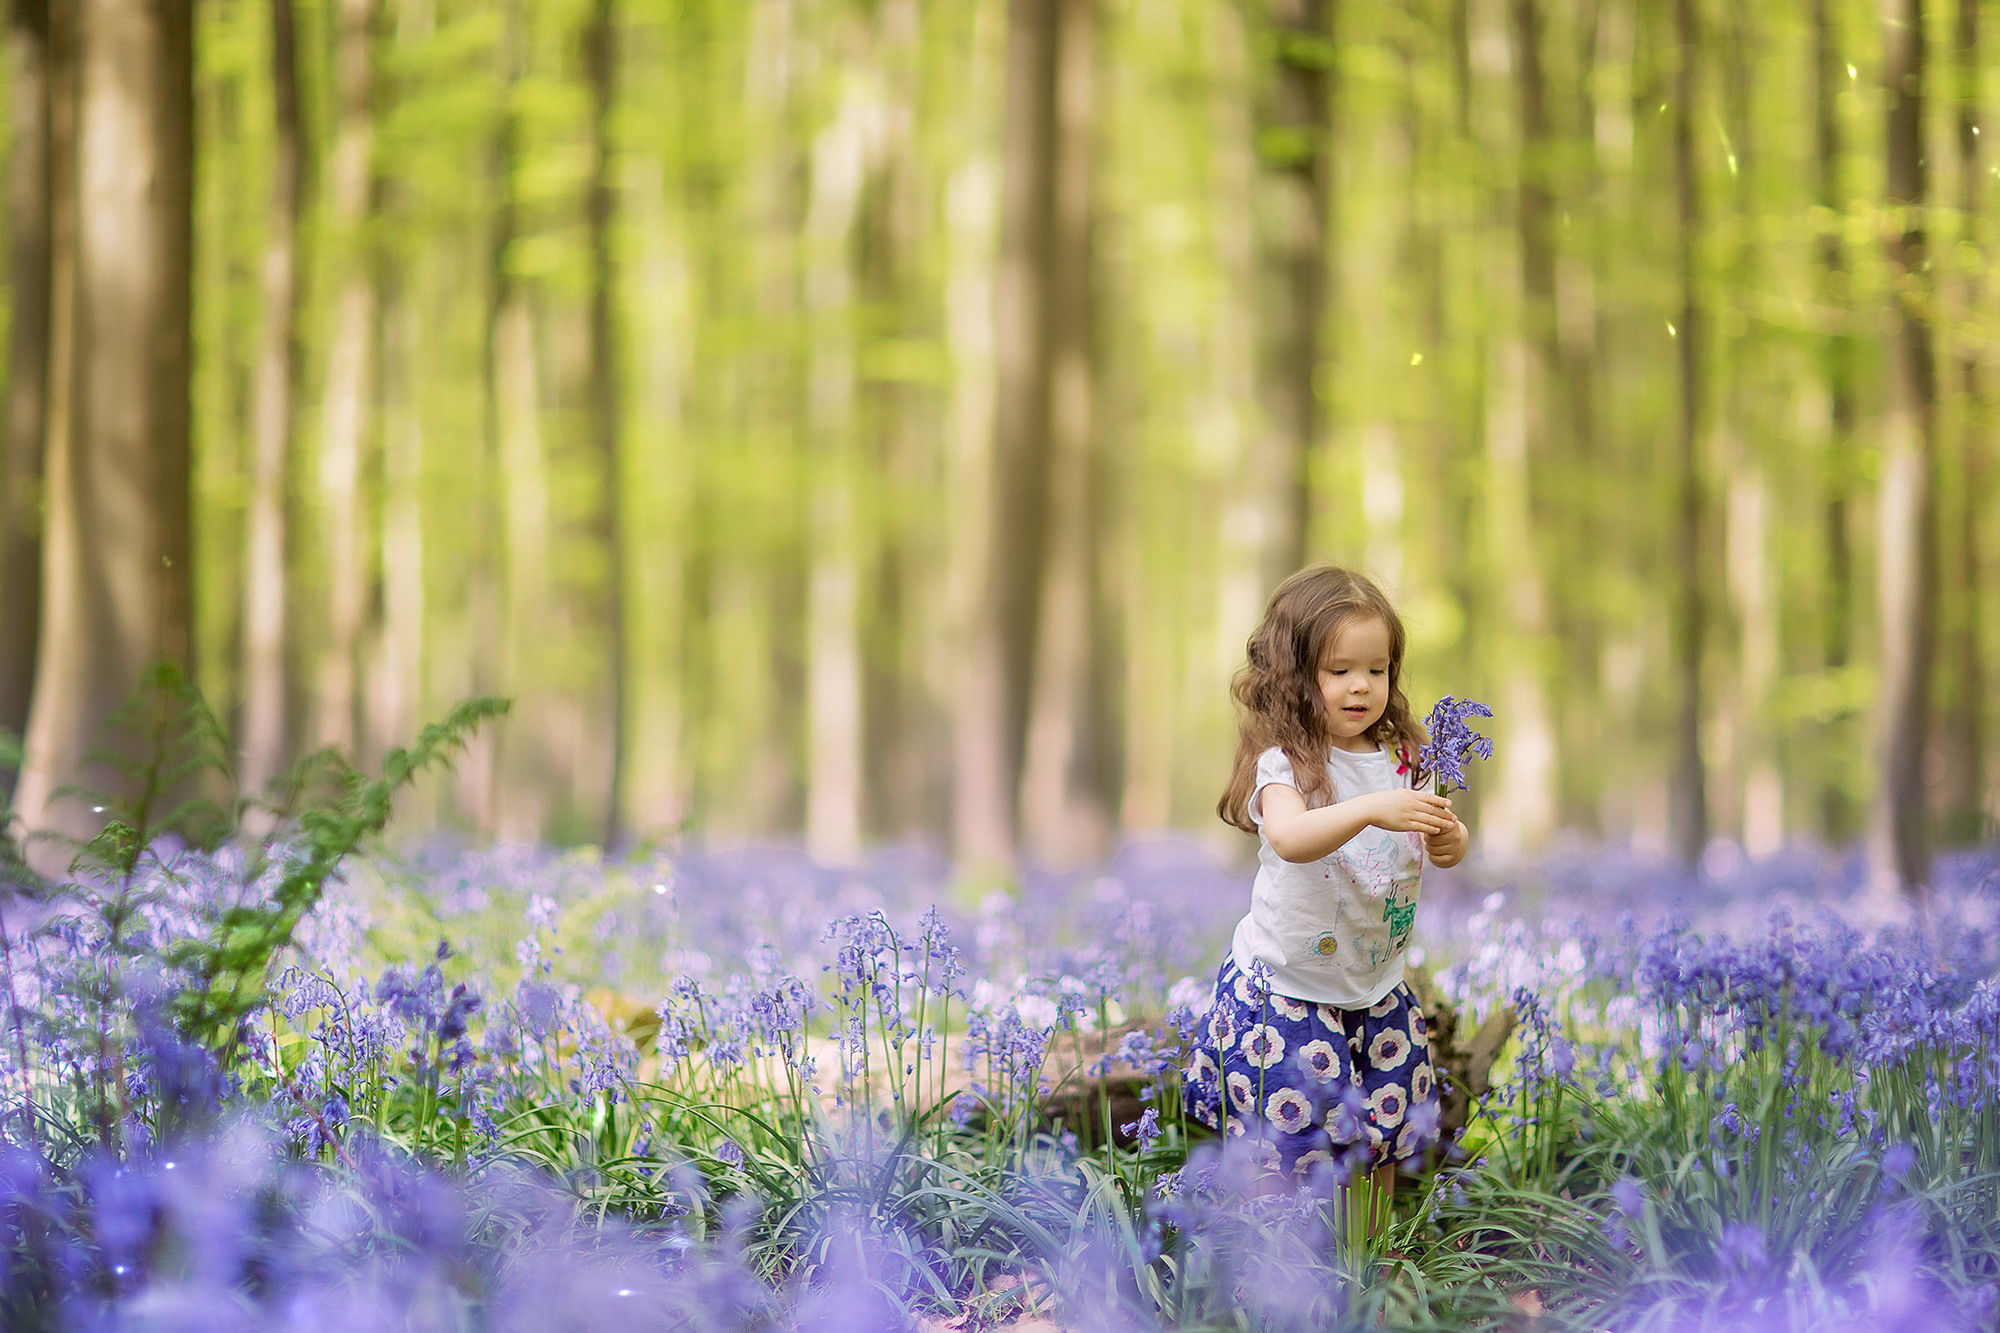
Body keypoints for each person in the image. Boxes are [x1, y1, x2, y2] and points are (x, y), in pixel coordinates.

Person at [1184, 564, 1467, 1224]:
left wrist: (1450, 840)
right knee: (1286, 1139)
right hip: (1287, 987)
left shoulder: (1407, 759)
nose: (1361, 685)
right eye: (1339, 670)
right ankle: (1274, 1259)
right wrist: (1370, 808)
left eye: (1377, 669)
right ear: (1294, 675)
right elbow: (1289, 837)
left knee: (1386, 1128)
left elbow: (1443, 837)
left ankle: (1372, 1254)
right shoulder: (1285, 761)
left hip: (1376, 987)